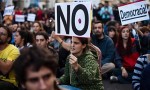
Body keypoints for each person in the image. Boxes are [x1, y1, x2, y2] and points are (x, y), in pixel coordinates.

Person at [0, 25, 20, 90]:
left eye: (2, 34)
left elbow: (5, 70)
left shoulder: (13, 50)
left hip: (9, 82)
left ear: (8, 38)